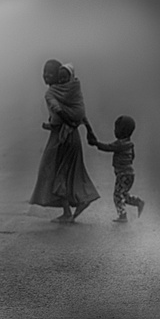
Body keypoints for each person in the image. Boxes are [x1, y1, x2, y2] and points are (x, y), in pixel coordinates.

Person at [29, 60, 100, 222]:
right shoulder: (68, 92)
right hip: (72, 136)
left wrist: (68, 123)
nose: (46, 76)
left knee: (55, 172)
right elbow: (79, 112)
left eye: (50, 73)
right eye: (44, 72)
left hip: (61, 139)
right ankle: (77, 203)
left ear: (58, 75)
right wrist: (89, 131)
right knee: (69, 172)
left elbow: (62, 113)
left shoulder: (51, 93)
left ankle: (71, 209)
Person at [88, 115, 146, 223]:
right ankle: (138, 202)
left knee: (117, 195)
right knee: (123, 194)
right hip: (130, 173)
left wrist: (96, 143)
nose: (114, 131)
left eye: (116, 129)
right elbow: (133, 156)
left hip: (123, 174)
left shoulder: (120, 144)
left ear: (121, 131)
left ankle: (122, 215)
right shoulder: (130, 144)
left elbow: (108, 147)